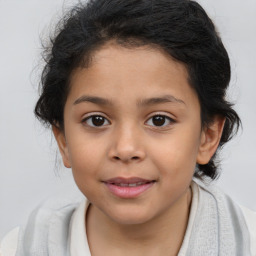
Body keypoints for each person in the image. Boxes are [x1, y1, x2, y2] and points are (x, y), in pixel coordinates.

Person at [1, 0, 256, 255]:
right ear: (63, 140)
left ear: (207, 136)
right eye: (96, 120)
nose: (125, 149)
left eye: (159, 120)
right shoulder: (18, 249)